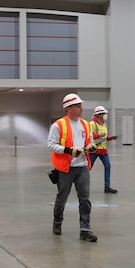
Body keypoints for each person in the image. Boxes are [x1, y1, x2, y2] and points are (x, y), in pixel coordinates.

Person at [47, 93, 98, 242]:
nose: (81, 108)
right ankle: (57, 222)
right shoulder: (58, 125)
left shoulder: (86, 125)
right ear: (68, 108)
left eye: (81, 105)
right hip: (66, 168)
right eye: (78, 106)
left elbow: (90, 141)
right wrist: (68, 150)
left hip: (82, 167)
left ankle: (85, 229)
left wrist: (91, 146)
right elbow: (50, 144)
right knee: (62, 198)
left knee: (85, 199)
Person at [89, 105, 118, 194]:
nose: (105, 115)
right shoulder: (92, 124)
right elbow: (89, 135)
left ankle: (107, 187)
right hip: (94, 150)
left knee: (108, 166)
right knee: (87, 168)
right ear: (98, 115)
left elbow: (104, 137)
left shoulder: (104, 124)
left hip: (103, 150)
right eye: (103, 113)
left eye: (105, 113)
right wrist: (99, 135)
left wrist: (110, 138)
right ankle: (81, 184)